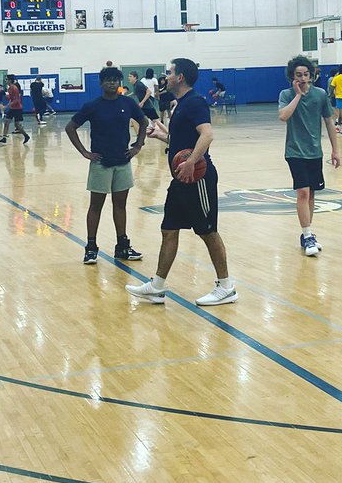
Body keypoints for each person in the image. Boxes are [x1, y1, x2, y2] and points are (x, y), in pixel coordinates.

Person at [126, 58, 235, 306]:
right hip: (181, 179)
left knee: (208, 232)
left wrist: (191, 162)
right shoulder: (181, 103)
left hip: (198, 178)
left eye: (170, 72)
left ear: (180, 77)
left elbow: (207, 135)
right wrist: (162, 136)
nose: (166, 76)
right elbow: (183, 142)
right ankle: (157, 286)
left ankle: (227, 286)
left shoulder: (195, 102)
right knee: (169, 229)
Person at [66, 66, 148, 265]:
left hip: (123, 162)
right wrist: (85, 152)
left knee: (120, 205)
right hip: (101, 163)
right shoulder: (93, 106)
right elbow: (71, 127)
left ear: (119, 83)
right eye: (108, 80)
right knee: (96, 206)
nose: (112, 83)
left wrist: (138, 145)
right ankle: (91, 248)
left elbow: (144, 122)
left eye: (115, 80)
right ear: (101, 83)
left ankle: (122, 246)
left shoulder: (127, 103)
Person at [278, 55, 340, 257]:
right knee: (303, 193)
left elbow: (329, 122)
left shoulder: (320, 94)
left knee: (311, 194)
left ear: (311, 76)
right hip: (295, 151)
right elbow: (283, 116)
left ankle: (307, 234)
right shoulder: (286, 94)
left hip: (314, 151)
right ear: (292, 77)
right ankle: (307, 234)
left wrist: (335, 150)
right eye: (298, 75)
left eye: (306, 74)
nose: (303, 78)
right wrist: (297, 96)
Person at [0, 75, 31, 145]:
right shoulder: (9, 88)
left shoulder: (14, 88)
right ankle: (4, 138)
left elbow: (17, 100)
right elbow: (11, 98)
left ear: (10, 80)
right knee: (6, 122)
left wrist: (7, 106)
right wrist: (4, 94)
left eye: (6, 79)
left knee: (17, 125)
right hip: (12, 108)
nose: (5, 81)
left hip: (17, 108)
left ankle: (26, 136)